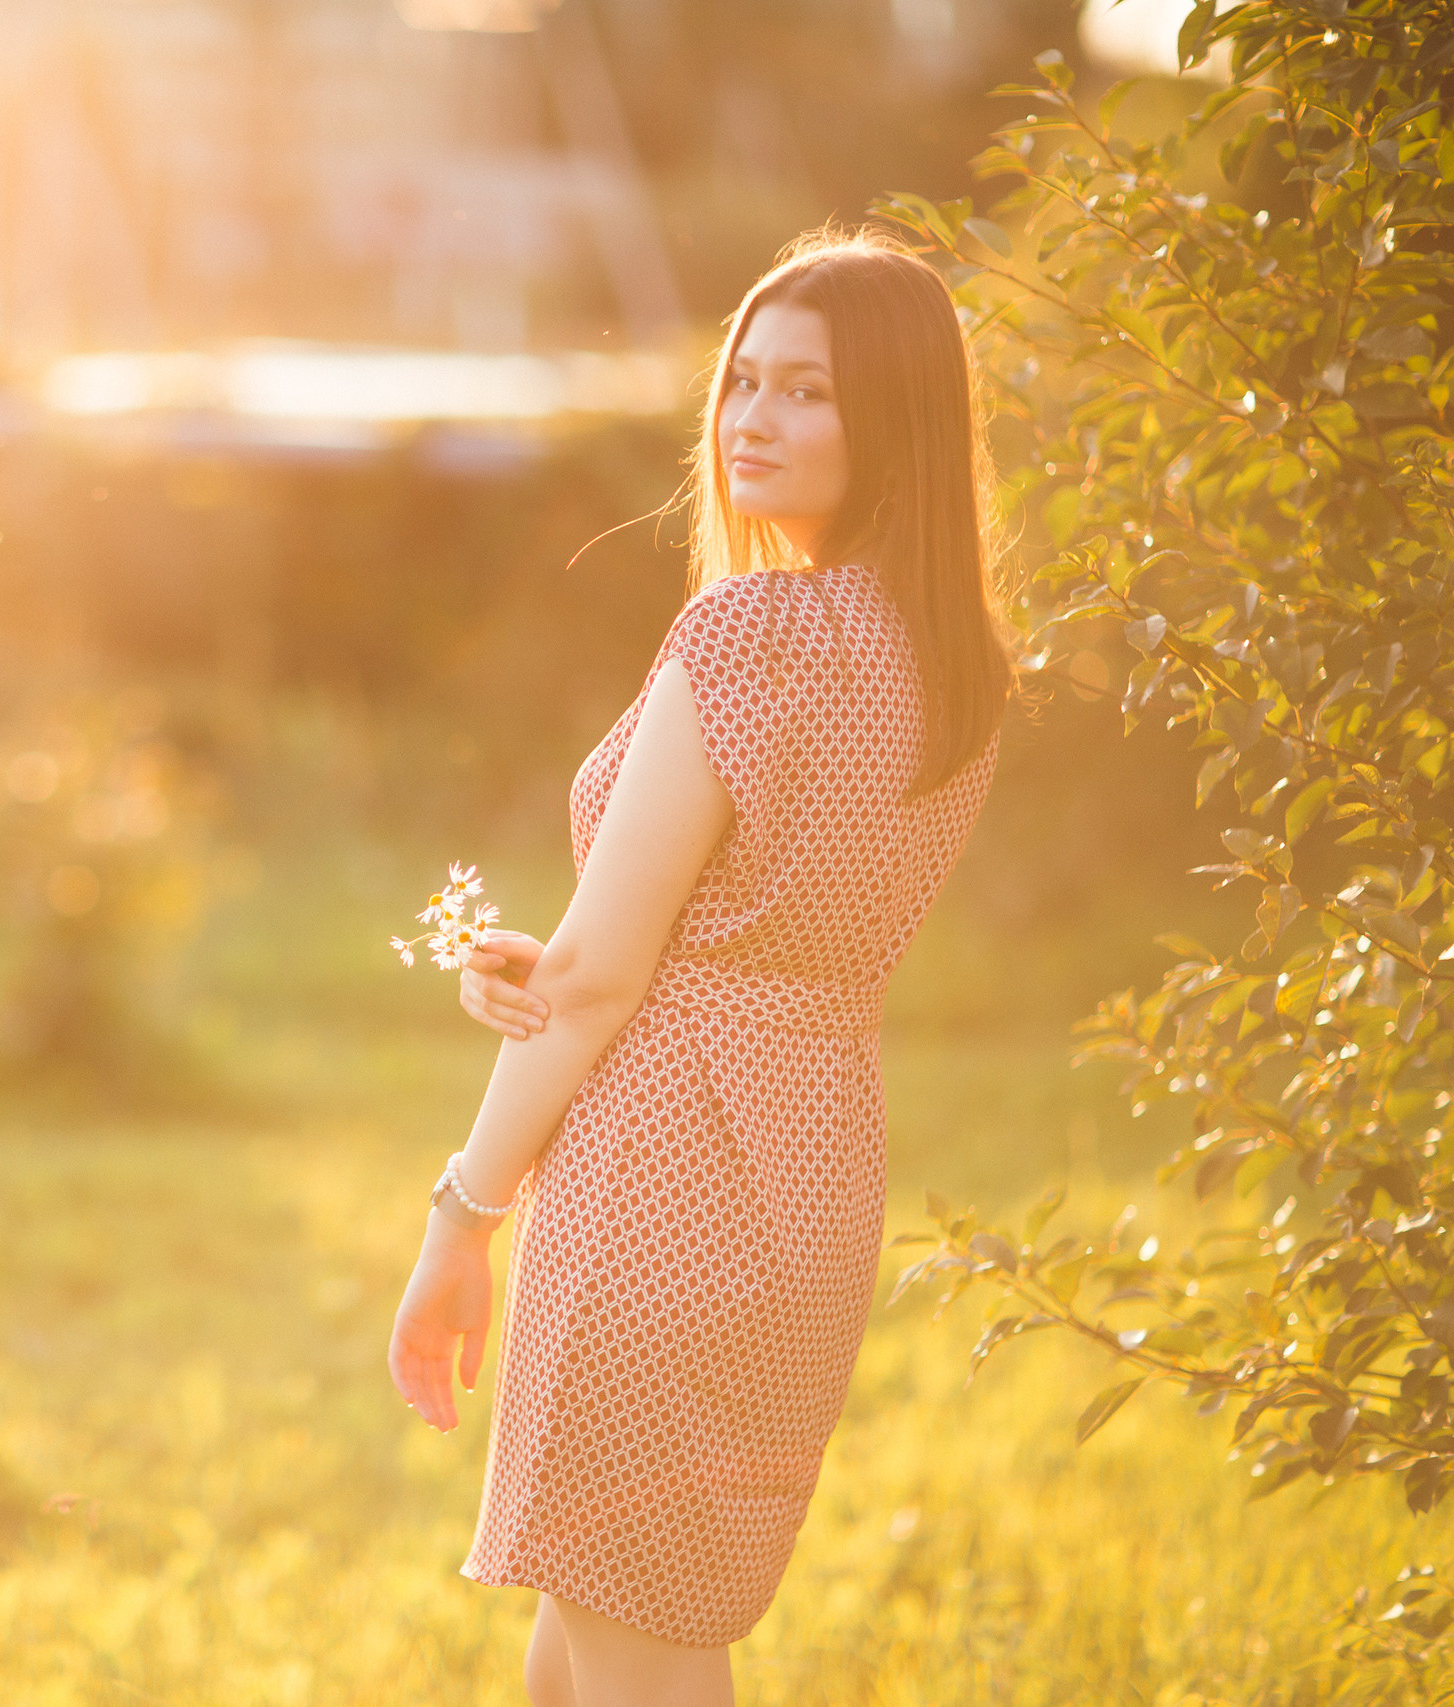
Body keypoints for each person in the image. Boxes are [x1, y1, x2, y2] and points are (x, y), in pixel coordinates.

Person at [386, 227, 1014, 1707]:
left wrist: (458, 1215)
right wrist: (589, 959)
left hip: (659, 1175)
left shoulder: (751, 630)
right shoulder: (958, 665)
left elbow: (606, 981)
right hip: (808, 1164)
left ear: (899, 422)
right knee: (612, 1632)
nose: (752, 419)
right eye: (744, 380)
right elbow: (742, 935)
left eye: (809, 392)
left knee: (641, 1648)